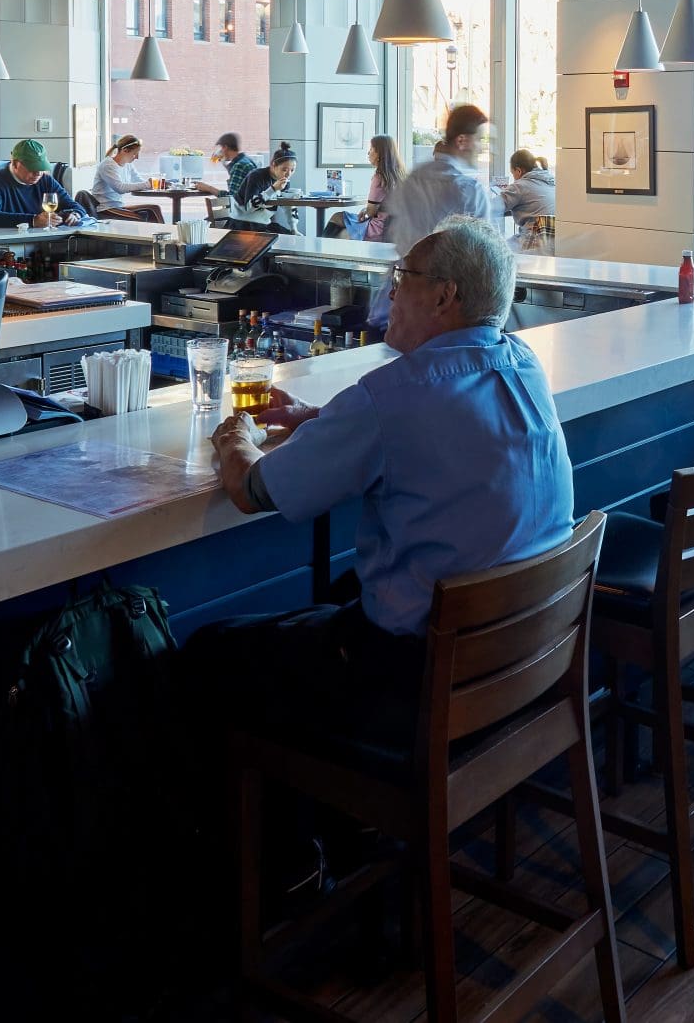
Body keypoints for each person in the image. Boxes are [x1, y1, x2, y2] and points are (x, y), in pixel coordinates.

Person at [190, 218, 575, 900]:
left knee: (211, 655)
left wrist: (234, 436)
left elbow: (255, 490)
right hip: (520, 661)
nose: (389, 294)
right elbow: (421, 431)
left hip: (418, 684)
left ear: (443, 297)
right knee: (341, 598)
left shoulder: (394, 396)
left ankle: (286, 873)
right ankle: (345, 829)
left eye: (403, 280)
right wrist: (323, 423)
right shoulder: (521, 363)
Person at [382, 105, 497, 260]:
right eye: (479, 139)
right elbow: (484, 251)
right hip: (447, 280)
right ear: (461, 141)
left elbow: (397, 233)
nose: (482, 148)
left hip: (406, 275)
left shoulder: (413, 178)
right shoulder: (469, 191)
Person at [0, 138, 85, 227]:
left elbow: (76, 207)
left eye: (42, 168)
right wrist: (33, 221)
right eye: (32, 168)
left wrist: (75, 214)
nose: (38, 173)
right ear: (15, 164)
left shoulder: (46, 181)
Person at [335, 134, 403, 242]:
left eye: (371, 149)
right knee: (339, 218)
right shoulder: (400, 175)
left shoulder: (379, 177)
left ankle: (320, 251)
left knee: (337, 218)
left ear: (379, 153)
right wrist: (366, 210)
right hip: (394, 227)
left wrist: (365, 211)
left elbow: (370, 212)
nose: (368, 153)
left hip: (378, 228)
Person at [79, 133, 158, 220]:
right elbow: (120, 188)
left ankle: (168, 233)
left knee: (154, 209)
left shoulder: (128, 165)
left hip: (118, 206)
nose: (137, 157)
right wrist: (148, 184)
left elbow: (138, 181)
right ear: (125, 150)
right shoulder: (108, 165)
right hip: (105, 208)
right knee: (139, 219)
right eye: (135, 153)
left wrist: (156, 184)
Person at [234, 144, 300, 233]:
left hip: (263, 224)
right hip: (243, 224)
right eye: (284, 170)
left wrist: (294, 229)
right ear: (273, 165)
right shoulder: (256, 176)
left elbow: (288, 205)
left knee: (293, 239)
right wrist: (273, 189)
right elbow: (249, 207)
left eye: (292, 170)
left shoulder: (284, 181)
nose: (288, 174)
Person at [500, 150, 555, 224]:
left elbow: (490, 207)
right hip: (554, 232)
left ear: (518, 171)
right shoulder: (551, 181)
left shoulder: (520, 186)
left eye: (512, 173)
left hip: (535, 234)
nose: (514, 178)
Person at [213, 132, 259, 207]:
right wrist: (223, 162)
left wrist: (208, 188)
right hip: (253, 210)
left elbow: (232, 198)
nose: (220, 151)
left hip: (242, 214)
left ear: (225, 147)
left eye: (221, 148)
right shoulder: (247, 160)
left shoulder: (239, 166)